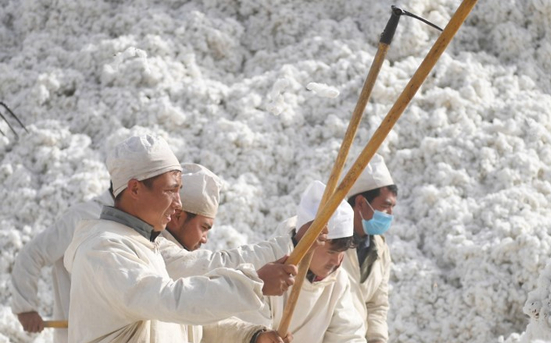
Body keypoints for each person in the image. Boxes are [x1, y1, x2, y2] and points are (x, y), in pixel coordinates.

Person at [63, 134, 295, 343]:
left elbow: (184, 324)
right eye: (171, 190)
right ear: (134, 189)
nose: (178, 203)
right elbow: (171, 301)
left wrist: (252, 336)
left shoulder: (144, 245)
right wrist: (254, 284)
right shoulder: (103, 248)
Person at [258, 180, 367, 343]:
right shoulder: (268, 272)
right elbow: (247, 331)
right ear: (310, 242)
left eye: (341, 252)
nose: (337, 261)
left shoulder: (337, 282)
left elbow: (348, 335)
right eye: (331, 251)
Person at [11, 187, 114, 343]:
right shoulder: (83, 217)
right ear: (133, 187)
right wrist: (26, 308)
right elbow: (31, 255)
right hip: (78, 336)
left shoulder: (149, 224)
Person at [342, 154, 398, 343]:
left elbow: (377, 304)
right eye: (385, 206)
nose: (390, 214)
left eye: (392, 208)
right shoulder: (326, 240)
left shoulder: (379, 249)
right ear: (360, 203)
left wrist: (378, 339)